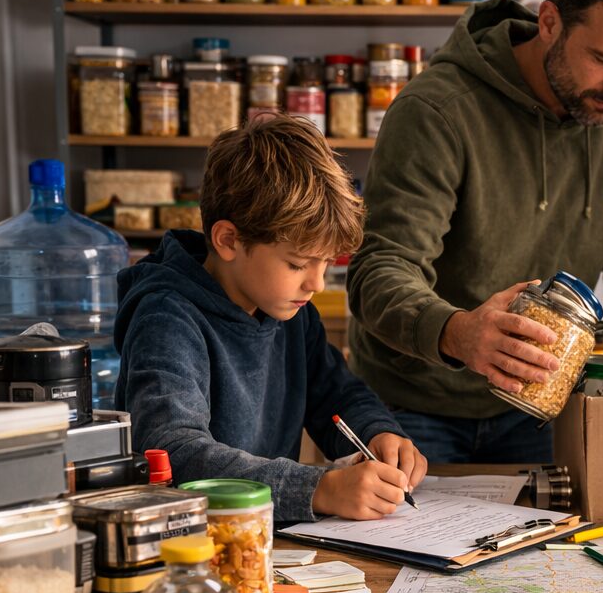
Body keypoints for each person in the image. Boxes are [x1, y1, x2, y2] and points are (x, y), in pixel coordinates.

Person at [348, 0, 603, 464]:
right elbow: (380, 272)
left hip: (544, 404)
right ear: (549, 22)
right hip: (416, 409)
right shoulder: (438, 112)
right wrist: (458, 333)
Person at [114, 115, 427, 523]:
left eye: (327, 262)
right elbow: (173, 450)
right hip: (191, 550)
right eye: (298, 263)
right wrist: (316, 489)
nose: (316, 282)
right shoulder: (167, 317)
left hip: (266, 542)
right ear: (229, 240)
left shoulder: (291, 311)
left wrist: (379, 433)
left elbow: (337, 394)